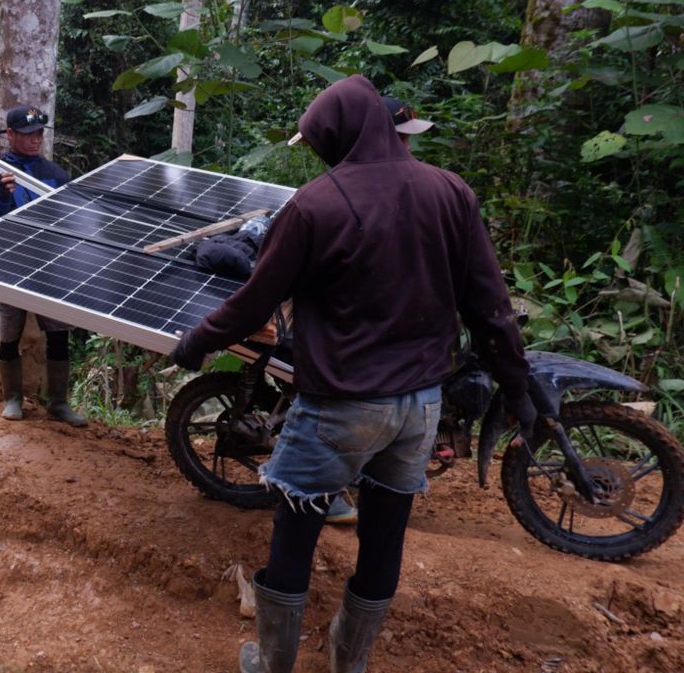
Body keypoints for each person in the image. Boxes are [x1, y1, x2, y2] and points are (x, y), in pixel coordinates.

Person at [170, 75, 541, 673]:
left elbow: (254, 300)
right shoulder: (451, 192)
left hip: (339, 405)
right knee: (384, 535)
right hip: (420, 406)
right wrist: (517, 385)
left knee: (296, 532)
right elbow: (489, 305)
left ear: (334, 137)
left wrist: (196, 343)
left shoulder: (314, 204)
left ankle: (272, 662)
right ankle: (351, 662)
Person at [0, 104, 86, 426]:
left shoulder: (55, 174)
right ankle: (12, 398)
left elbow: (72, 219)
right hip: (9, 267)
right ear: (10, 136)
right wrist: (2, 196)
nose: (34, 140)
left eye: (38, 134)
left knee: (59, 332)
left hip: (51, 267)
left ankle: (59, 402)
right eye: (27, 135)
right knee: (10, 334)